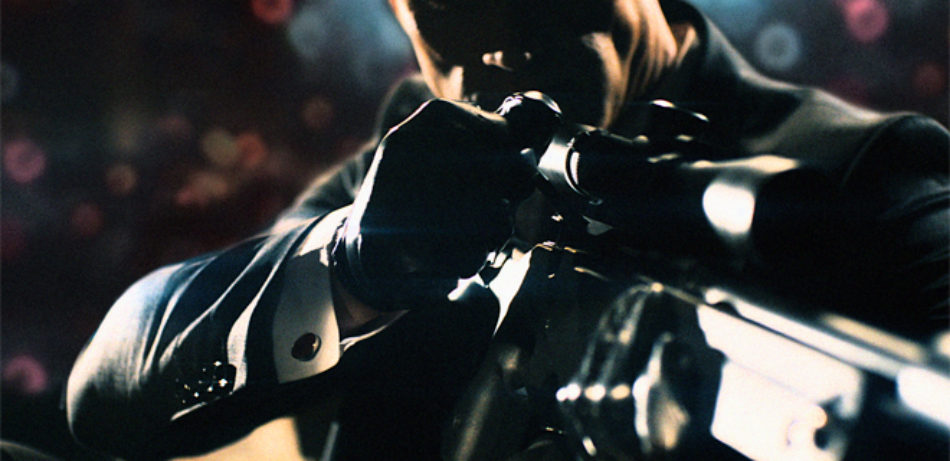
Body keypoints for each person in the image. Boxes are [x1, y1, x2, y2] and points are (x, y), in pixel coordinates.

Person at [66, 0, 949, 460]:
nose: (505, 48)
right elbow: (109, 392)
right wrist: (352, 267)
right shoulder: (426, 153)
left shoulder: (868, 176)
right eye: (451, 7)